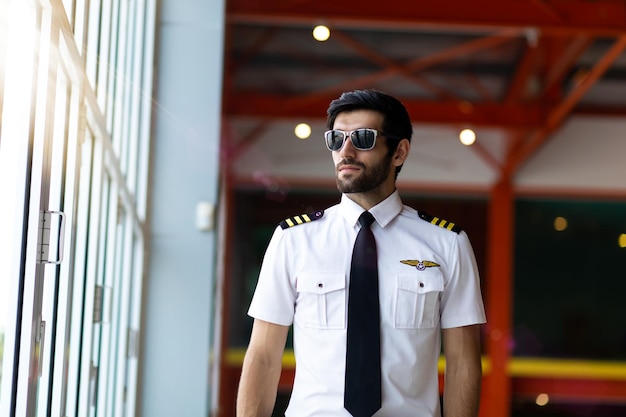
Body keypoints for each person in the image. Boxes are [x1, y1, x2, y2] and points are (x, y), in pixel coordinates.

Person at [236, 89, 486, 417]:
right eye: (336, 139)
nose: (346, 151)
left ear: (399, 152)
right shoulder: (293, 240)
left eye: (364, 138)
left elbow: (462, 363)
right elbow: (264, 356)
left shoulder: (447, 244)